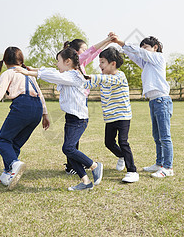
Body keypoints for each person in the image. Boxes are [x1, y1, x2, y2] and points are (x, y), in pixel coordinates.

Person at [15, 47, 103, 191]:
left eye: (58, 61)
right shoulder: (67, 74)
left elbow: (51, 75)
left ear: (68, 62)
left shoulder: (73, 76)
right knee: (69, 150)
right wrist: (33, 69)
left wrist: (28, 72)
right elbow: (52, 72)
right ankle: (86, 182)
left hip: (79, 119)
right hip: (71, 118)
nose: (57, 64)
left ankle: (94, 165)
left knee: (68, 148)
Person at [0, 47, 50, 190]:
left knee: (1, 140)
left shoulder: (8, 73)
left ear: (5, 61)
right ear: (21, 60)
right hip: (37, 109)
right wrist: (45, 115)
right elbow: (41, 94)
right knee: (13, 145)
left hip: (23, 106)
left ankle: (13, 164)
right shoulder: (29, 74)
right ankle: (8, 174)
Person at [110, 34, 174, 178]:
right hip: (153, 101)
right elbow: (135, 56)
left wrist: (121, 42)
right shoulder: (147, 63)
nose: (143, 50)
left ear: (155, 48)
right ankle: (159, 163)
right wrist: (122, 47)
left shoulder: (158, 58)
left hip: (162, 100)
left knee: (165, 137)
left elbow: (140, 53)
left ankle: (168, 167)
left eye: (145, 47)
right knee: (157, 136)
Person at [84, 47, 139, 183]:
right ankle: (121, 156)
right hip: (110, 117)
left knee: (123, 142)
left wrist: (93, 77)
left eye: (102, 62)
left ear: (112, 63)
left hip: (123, 115)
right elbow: (88, 83)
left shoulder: (120, 76)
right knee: (108, 142)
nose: (99, 65)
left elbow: (108, 80)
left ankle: (132, 171)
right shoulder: (102, 78)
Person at [63, 36, 112, 175]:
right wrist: (106, 39)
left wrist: (107, 42)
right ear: (76, 52)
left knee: (73, 137)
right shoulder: (76, 62)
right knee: (71, 137)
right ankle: (72, 165)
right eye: (83, 49)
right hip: (76, 102)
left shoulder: (81, 64)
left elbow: (94, 52)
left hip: (80, 101)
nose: (86, 51)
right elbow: (92, 50)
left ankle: (72, 164)